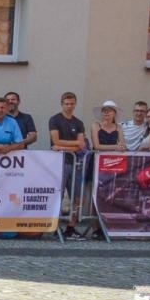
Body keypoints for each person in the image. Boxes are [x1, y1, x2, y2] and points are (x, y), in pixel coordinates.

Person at [49, 92, 89, 238]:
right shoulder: (55, 120)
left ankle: (71, 227)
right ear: (62, 104)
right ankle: (55, 225)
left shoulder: (78, 123)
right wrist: (75, 144)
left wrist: (67, 147)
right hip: (59, 164)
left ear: (75, 104)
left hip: (75, 164)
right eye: (66, 104)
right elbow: (56, 141)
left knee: (77, 197)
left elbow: (82, 145)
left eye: (72, 104)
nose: (69, 106)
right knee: (57, 196)